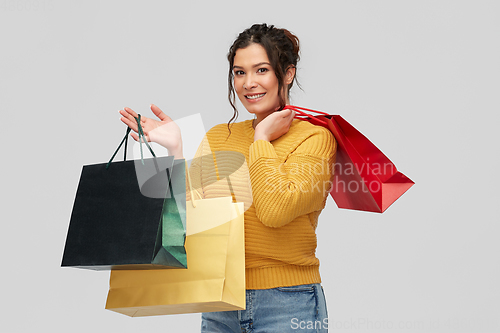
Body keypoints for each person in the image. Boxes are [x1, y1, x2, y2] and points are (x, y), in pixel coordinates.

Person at [119, 23, 336, 333]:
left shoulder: (315, 139)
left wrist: (261, 138)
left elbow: (276, 210)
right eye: (239, 72)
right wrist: (177, 146)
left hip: (288, 302)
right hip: (220, 300)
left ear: (286, 74)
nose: (248, 83)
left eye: (261, 70)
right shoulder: (221, 136)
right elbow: (190, 222)